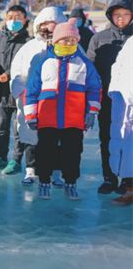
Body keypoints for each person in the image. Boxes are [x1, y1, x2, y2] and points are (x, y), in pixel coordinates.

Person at [25, 19, 102, 200]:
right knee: (45, 152)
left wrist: (92, 111)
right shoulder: (44, 64)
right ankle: (44, 182)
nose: (69, 43)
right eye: (65, 39)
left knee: (73, 153)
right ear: (55, 41)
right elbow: (32, 91)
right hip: (47, 119)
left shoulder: (85, 64)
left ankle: (71, 184)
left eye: (73, 39)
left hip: (73, 120)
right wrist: (30, 115)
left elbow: (94, 88)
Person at [10, 6, 68, 186]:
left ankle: (56, 173)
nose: (48, 29)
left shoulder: (71, 46)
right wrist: (20, 91)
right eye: (44, 25)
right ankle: (31, 170)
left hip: (59, 102)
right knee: (31, 137)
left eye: (53, 25)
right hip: (34, 100)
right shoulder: (30, 47)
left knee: (58, 139)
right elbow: (17, 70)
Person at [87, 0, 133, 195]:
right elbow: (90, 70)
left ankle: (128, 179)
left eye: (125, 13)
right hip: (107, 99)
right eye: (116, 14)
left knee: (129, 140)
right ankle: (109, 176)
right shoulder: (99, 38)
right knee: (107, 138)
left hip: (130, 99)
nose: (121, 18)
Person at [0, 5, 32, 176]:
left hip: (19, 90)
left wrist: (8, 74)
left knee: (18, 127)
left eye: (17, 17)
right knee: (1, 127)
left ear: (25, 20)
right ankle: (2, 157)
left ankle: (16, 160)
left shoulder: (28, 41)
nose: (13, 20)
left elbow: (28, 63)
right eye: (10, 17)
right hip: (1, 90)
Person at [108, 37, 133, 206]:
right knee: (129, 148)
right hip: (129, 103)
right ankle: (130, 190)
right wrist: (117, 91)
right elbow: (118, 68)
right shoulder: (131, 42)